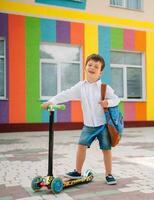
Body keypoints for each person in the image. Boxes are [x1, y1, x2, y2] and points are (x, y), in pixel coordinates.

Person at [41, 54, 120, 185]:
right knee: (81, 146)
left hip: (103, 125)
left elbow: (116, 99)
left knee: (106, 149)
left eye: (96, 66)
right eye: (90, 65)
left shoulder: (104, 88)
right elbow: (65, 94)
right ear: (85, 67)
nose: (92, 68)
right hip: (88, 126)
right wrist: (51, 101)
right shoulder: (80, 87)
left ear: (100, 72)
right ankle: (77, 172)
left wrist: (108, 102)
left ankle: (109, 174)